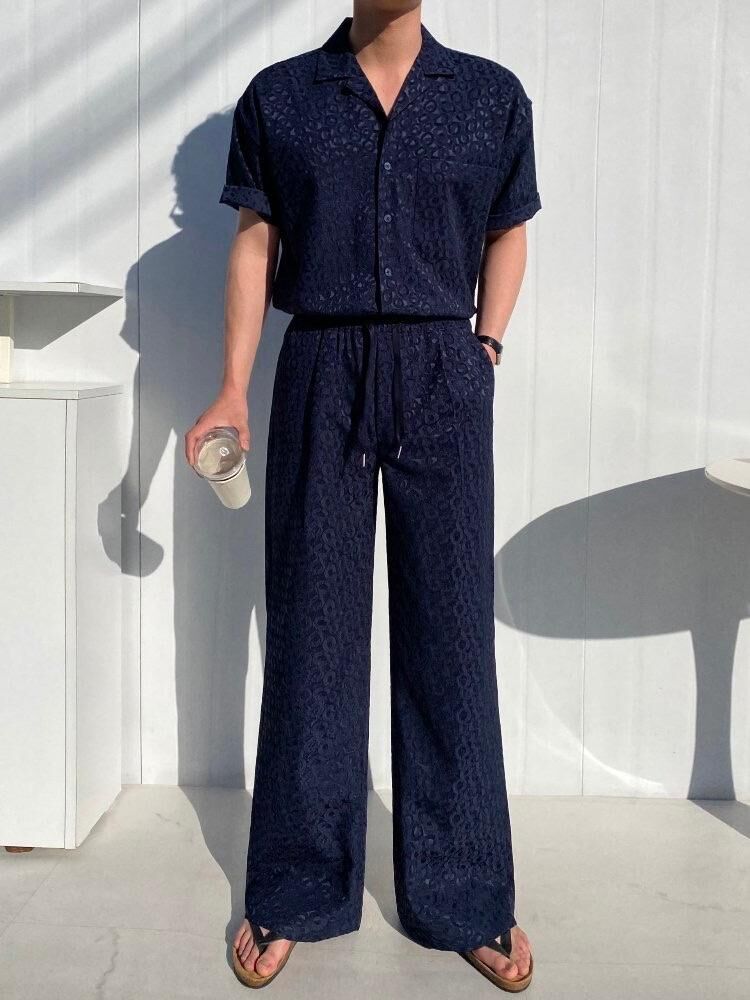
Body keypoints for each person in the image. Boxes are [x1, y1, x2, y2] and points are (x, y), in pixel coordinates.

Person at [185, 0, 541, 991]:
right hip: (321, 365)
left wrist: (485, 347)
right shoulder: (282, 98)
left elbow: (509, 228)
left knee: (451, 637)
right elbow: (254, 241)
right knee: (314, 635)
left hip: (443, 369)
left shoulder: (489, 99)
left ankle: (466, 893)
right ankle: (297, 886)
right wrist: (231, 386)